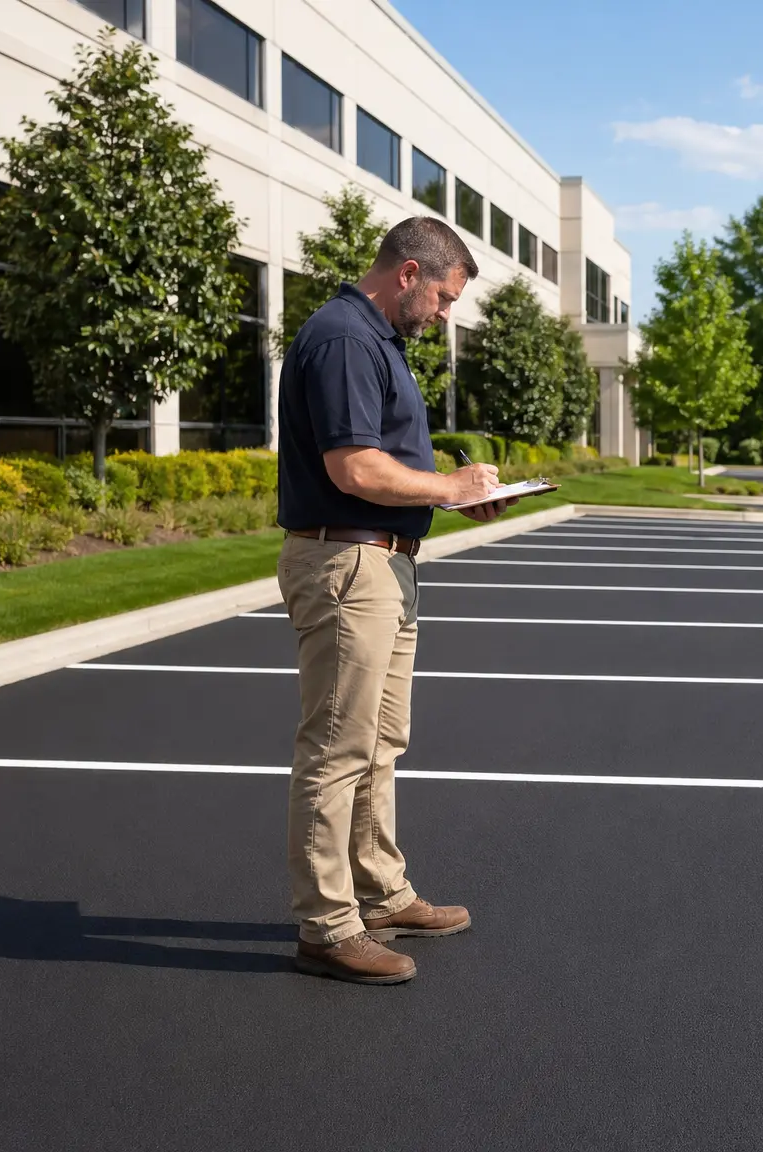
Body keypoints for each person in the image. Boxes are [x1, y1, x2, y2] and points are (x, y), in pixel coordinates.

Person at [275, 216, 514, 984]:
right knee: (338, 749)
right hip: (348, 563)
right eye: (444, 298)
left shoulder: (376, 342)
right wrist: (447, 487)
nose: (446, 314)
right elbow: (354, 469)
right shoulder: (345, 338)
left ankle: (379, 893)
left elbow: (383, 463)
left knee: (380, 742)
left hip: (383, 562)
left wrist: (449, 496)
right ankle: (327, 927)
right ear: (408, 273)